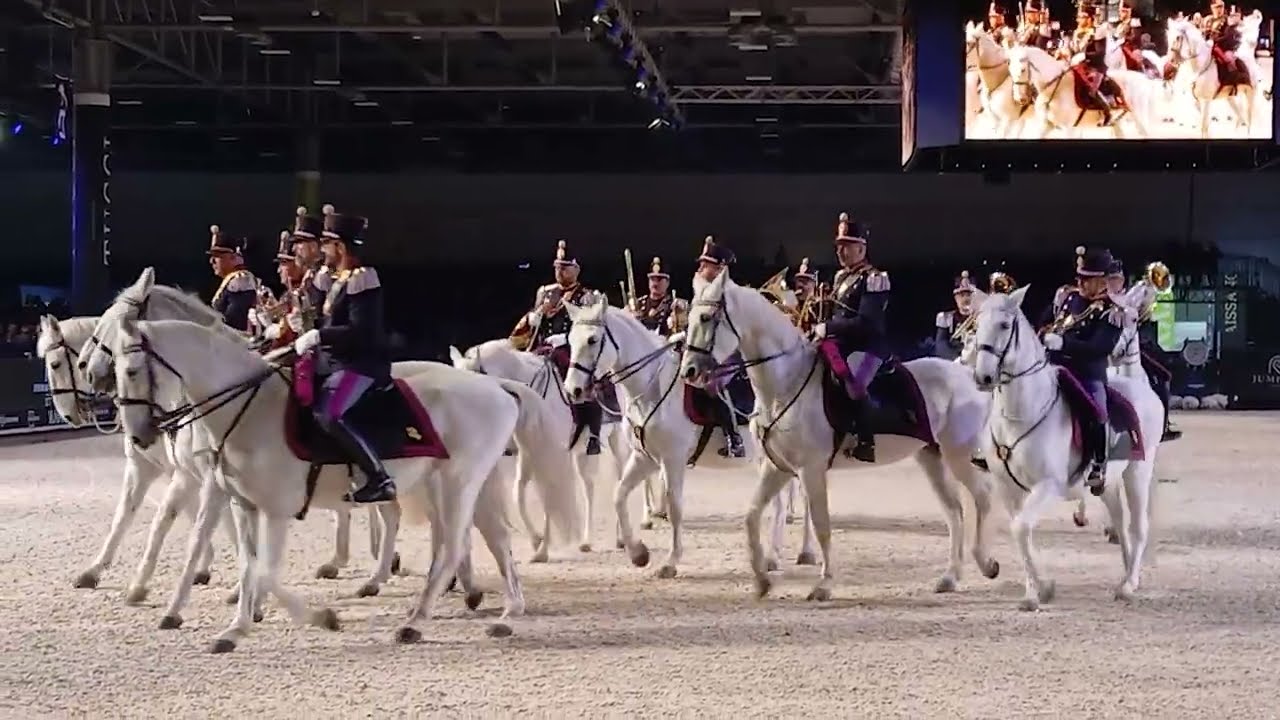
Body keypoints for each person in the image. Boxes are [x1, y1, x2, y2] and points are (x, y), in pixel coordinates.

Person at [292, 210, 396, 505]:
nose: (321, 248)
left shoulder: (364, 278)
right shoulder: (332, 279)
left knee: (329, 413)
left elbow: (361, 329)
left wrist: (320, 336)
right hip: (331, 361)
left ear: (340, 247)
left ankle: (379, 478)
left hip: (361, 364)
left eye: (325, 243)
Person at [509, 239, 605, 455]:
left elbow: (589, 330)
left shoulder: (587, 296)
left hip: (571, 349)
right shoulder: (545, 292)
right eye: (557, 266)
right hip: (542, 348)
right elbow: (528, 328)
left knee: (579, 378)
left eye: (565, 267)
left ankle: (592, 434)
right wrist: (532, 318)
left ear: (577, 269)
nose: (560, 271)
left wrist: (566, 338)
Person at [1042, 246, 1124, 494]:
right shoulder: (1066, 298)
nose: (1080, 282)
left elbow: (1100, 348)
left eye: (1086, 279)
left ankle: (1097, 466)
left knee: (1097, 413)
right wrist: (1043, 333)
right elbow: (1045, 319)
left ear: (1101, 280)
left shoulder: (1114, 311)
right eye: (1079, 277)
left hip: (1087, 373)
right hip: (1053, 367)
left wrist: (1064, 343)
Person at [811, 213, 889, 463]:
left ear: (861, 248)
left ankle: (867, 442)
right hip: (840, 343)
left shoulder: (875, 278)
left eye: (847, 246)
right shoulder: (840, 278)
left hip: (867, 346)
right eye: (839, 246)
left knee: (853, 383)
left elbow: (866, 322)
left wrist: (829, 326)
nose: (841, 251)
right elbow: (836, 313)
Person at [690, 235, 747, 458]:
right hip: (712, 352)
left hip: (734, 354)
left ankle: (734, 438)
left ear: (720, 269)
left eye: (706, 264)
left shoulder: (731, 295)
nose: (701, 267)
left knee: (713, 382)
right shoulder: (704, 293)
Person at [1069, 1, 1127, 126]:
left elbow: (1100, 54)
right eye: (1078, 17)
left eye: (1082, 17)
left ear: (1089, 19)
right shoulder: (1076, 33)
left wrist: (1085, 55)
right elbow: (1073, 50)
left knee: (1090, 87)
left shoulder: (1097, 32)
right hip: (1077, 67)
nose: (1079, 20)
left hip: (1095, 67)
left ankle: (1107, 111)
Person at [207, 224, 259, 332]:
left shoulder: (240, 280)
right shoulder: (231, 280)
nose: (212, 261)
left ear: (233, 257)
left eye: (218, 256)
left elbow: (234, 321)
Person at [935, 271, 976, 361]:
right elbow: (940, 344)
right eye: (962, 295)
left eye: (969, 295)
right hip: (954, 363)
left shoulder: (983, 317)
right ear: (955, 298)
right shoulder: (946, 318)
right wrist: (956, 359)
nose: (966, 299)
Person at [632, 256, 678, 334]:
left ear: (667, 282)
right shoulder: (638, 304)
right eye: (652, 279)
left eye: (659, 279)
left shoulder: (674, 306)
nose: (655, 283)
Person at [793, 257, 823, 338]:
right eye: (798, 281)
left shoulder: (820, 306)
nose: (800, 285)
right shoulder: (792, 304)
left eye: (805, 282)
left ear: (815, 284)